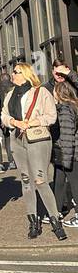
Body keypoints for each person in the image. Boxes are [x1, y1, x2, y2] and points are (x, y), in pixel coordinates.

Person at [2, 61, 67, 241]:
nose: (12, 75)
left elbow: (51, 116)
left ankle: (55, 221)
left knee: (40, 180)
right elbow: (4, 115)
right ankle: (33, 221)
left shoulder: (40, 92)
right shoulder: (10, 95)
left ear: (25, 74)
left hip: (37, 138)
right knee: (25, 181)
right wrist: (14, 122)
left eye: (15, 72)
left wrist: (31, 122)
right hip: (17, 139)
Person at [52, 79, 78, 227]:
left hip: (69, 155)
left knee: (75, 185)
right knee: (59, 182)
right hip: (64, 153)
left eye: (55, 90)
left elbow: (67, 135)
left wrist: (66, 160)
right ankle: (56, 212)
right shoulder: (67, 108)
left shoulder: (66, 110)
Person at [0, 65, 14, 171]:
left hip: (0, 116)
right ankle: (11, 160)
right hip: (12, 117)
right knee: (9, 139)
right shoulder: (14, 88)